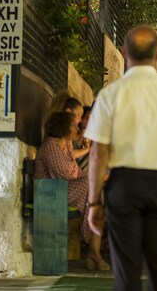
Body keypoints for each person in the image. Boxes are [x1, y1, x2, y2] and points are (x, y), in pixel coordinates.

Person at [85, 25, 157, 291]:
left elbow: (98, 154)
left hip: (124, 186)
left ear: (124, 53)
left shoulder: (110, 94)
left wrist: (93, 202)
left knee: (126, 272)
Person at [36, 111, 108, 270]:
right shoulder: (51, 146)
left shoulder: (65, 144)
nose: (78, 128)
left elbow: (75, 172)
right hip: (51, 192)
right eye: (74, 126)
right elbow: (64, 175)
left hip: (63, 188)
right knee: (94, 190)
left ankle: (94, 250)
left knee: (98, 194)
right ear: (64, 128)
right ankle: (93, 248)